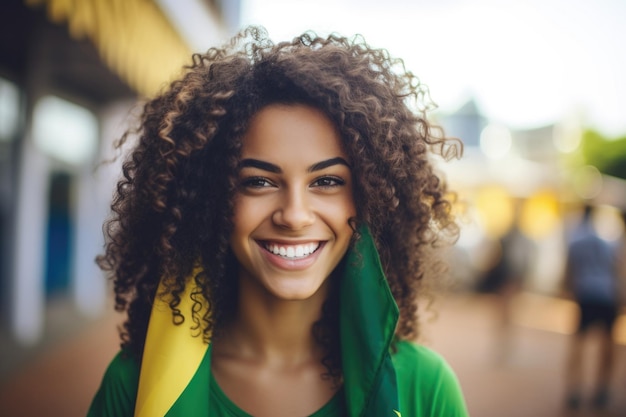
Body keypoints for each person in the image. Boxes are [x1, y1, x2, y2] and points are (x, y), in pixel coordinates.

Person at [87, 26, 469, 417]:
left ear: (372, 198)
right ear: (206, 200)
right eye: (258, 182)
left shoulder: (424, 387)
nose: (294, 215)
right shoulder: (132, 386)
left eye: (327, 181)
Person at [563, 203, 620, 410]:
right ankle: (602, 388)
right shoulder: (608, 240)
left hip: (586, 294)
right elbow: (616, 266)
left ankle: (574, 389)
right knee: (608, 345)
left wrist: (568, 289)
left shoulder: (575, 238)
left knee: (578, 343)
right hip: (607, 294)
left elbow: (569, 268)